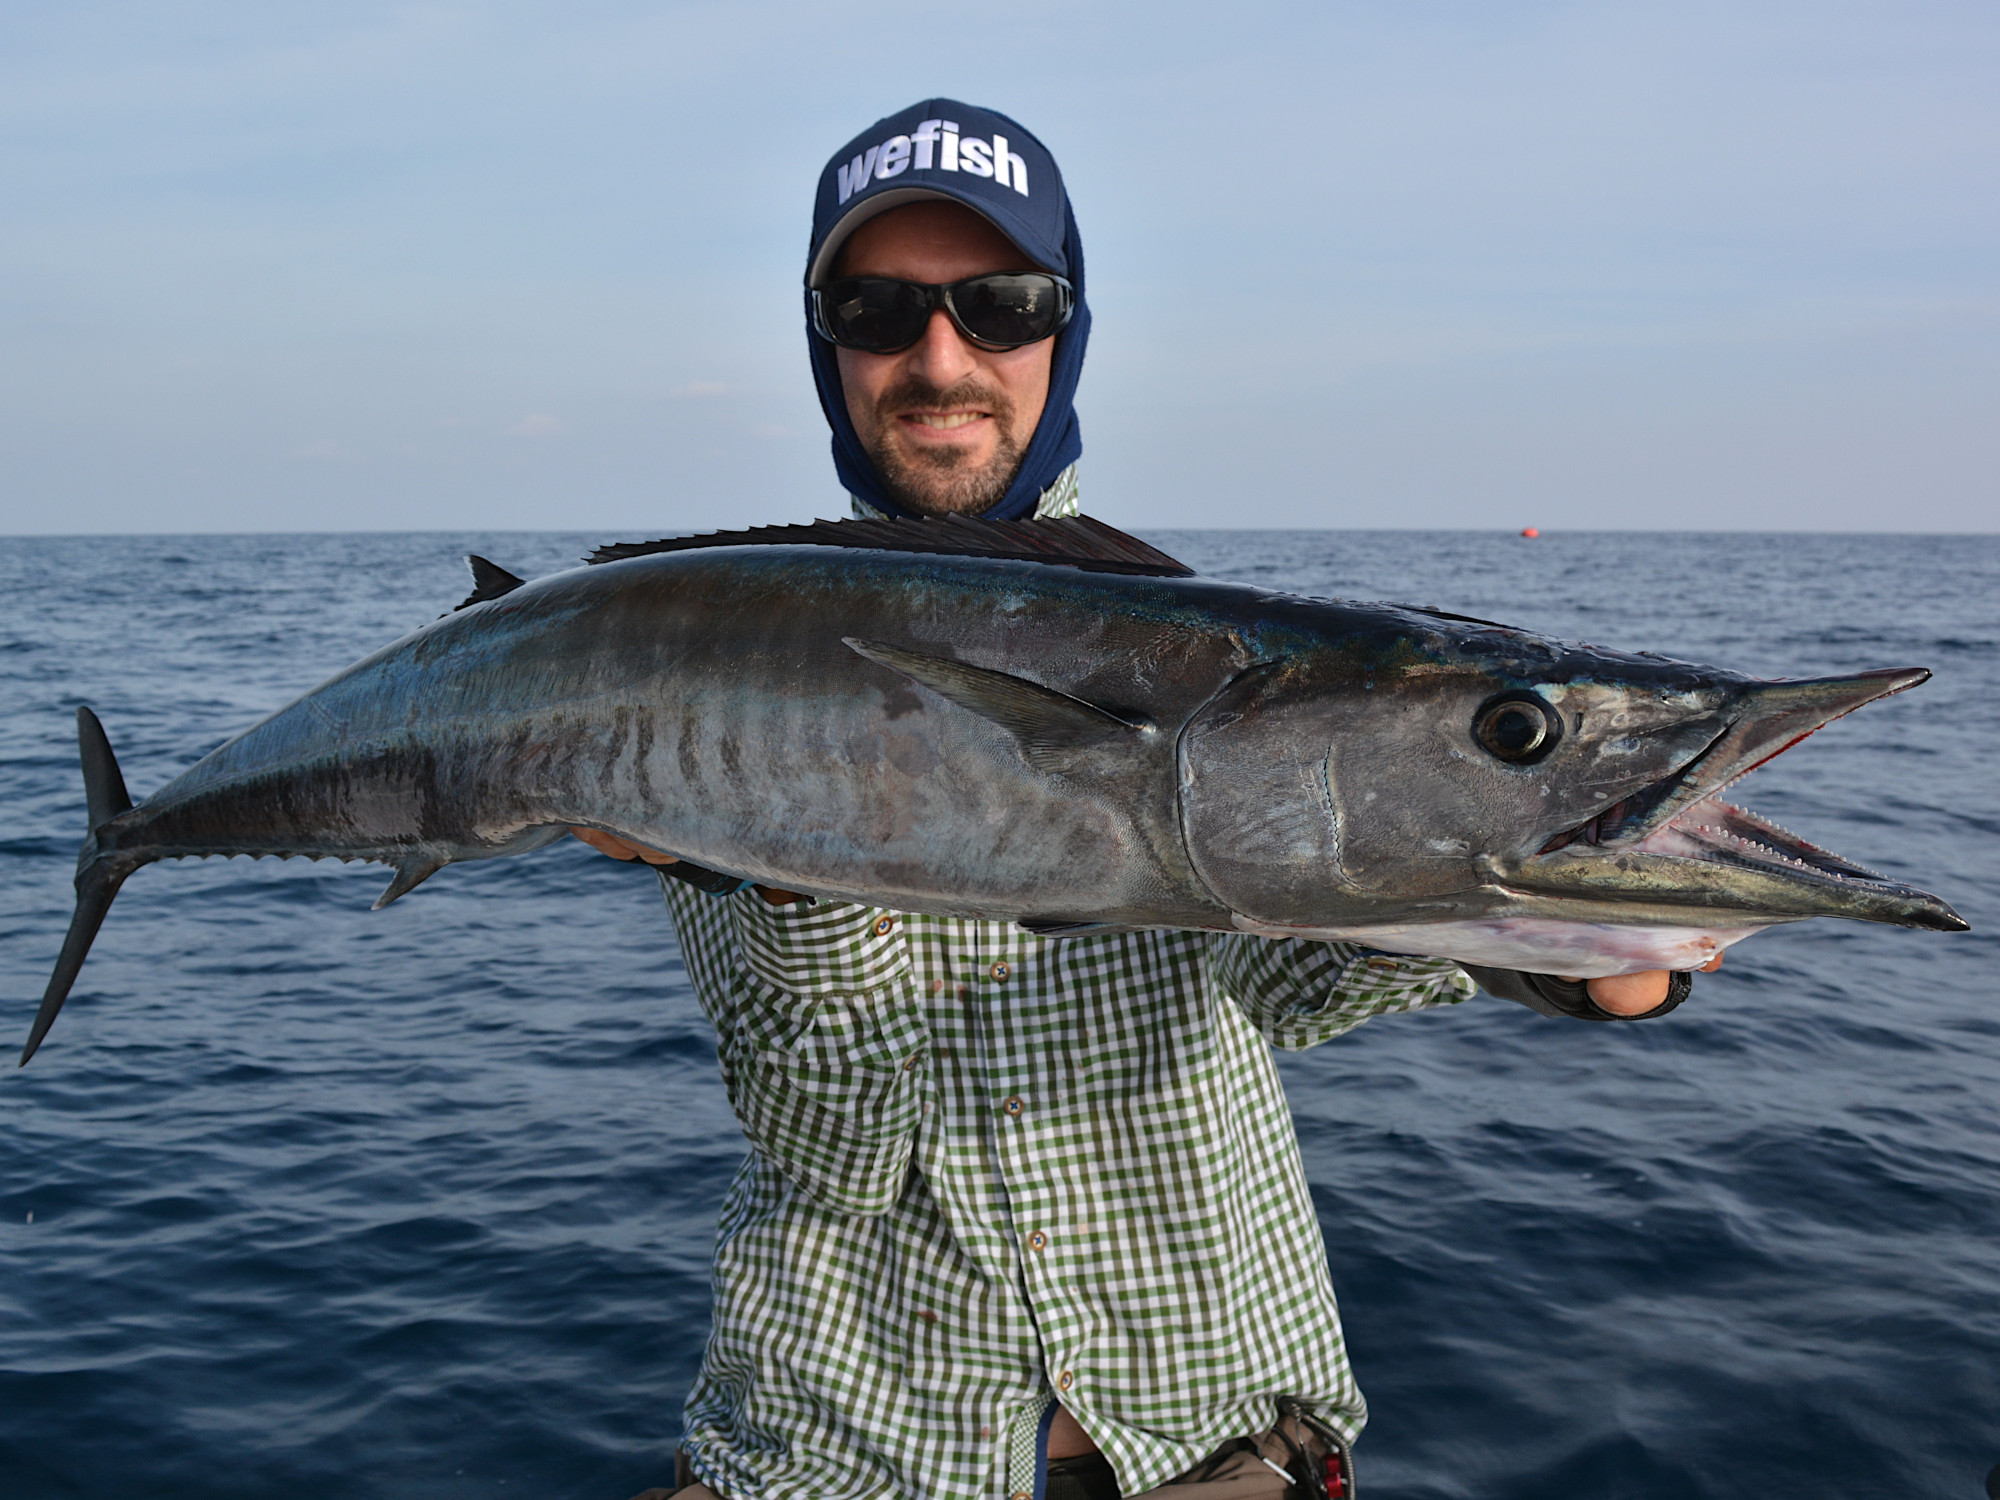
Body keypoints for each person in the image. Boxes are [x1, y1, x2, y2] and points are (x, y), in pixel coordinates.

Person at [577, 100, 1702, 1500]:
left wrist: (1562, 949)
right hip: (834, 1455)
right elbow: (830, 1137)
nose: (941, 359)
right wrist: (781, 877)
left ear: (1067, 327)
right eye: (876, 308)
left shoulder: (1209, 642)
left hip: (1215, 1446)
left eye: (1002, 303)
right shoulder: (720, 666)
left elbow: (1292, 973)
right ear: (828, 349)